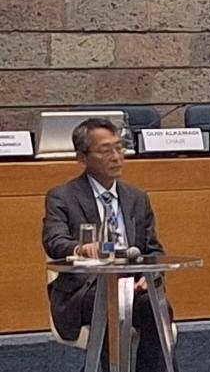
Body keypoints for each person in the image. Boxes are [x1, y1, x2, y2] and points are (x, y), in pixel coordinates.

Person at [42, 118, 170, 372]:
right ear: (82, 158)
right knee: (113, 305)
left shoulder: (136, 197)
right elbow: (54, 241)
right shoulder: (62, 196)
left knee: (157, 307)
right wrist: (80, 249)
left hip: (131, 286)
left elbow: (154, 250)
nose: (116, 156)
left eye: (119, 147)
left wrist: (151, 274)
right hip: (83, 291)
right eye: (105, 150)